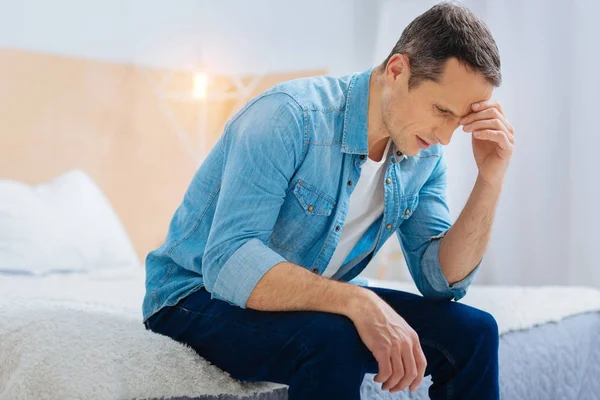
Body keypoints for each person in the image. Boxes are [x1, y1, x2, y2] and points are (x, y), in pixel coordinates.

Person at [142, 2, 514, 399]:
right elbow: (228, 263)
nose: (443, 136)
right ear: (396, 71)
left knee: (475, 333)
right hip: (192, 297)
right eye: (440, 110)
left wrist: (490, 179)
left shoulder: (424, 154)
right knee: (334, 338)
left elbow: (440, 281)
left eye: (457, 121)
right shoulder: (289, 117)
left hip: (309, 297)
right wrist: (356, 301)